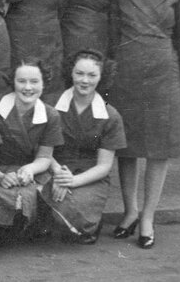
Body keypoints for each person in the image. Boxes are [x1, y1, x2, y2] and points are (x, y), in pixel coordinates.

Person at [110, 0, 180, 249]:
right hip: (127, 74)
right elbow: (111, 36)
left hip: (163, 75)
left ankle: (148, 216)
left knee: (159, 148)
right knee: (127, 147)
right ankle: (130, 210)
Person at [41, 50, 126, 244]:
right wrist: (59, 175)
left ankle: (90, 224)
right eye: (79, 73)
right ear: (70, 73)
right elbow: (42, 148)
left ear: (101, 77)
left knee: (72, 208)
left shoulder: (110, 115)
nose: (84, 80)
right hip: (52, 167)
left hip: (89, 176)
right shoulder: (50, 104)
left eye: (92, 75)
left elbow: (104, 166)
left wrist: (71, 181)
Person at [0, 58, 63, 236]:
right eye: (21, 81)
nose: (28, 87)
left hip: (24, 170)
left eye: (34, 81)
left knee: (44, 194)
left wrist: (30, 169)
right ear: (13, 82)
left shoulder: (50, 114)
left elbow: (44, 157)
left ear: (44, 84)